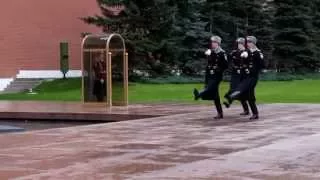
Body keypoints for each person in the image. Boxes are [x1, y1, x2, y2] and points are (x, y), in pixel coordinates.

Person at [228, 36, 265, 120]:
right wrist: (243, 58)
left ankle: (254, 113)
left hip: (252, 77)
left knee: (247, 91)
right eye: (247, 42)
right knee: (248, 94)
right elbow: (240, 63)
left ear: (253, 43)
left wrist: (252, 68)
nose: (247, 44)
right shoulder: (246, 51)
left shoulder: (258, 53)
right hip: (245, 76)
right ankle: (253, 112)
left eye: (249, 42)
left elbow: (262, 65)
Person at [193, 35, 228, 119]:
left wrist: (218, 69)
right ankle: (220, 113)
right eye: (212, 42)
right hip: (209, 75)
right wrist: (208, 55)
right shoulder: (210, 52)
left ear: (218, 43)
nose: (213, 44)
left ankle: (199, 94)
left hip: (217, 75)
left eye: (215, 42)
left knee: (210, 87)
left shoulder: (222, 53)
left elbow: (226, 65)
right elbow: (208, 65)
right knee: (215, 96)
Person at [223, 37, 249, 115]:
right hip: (235, 73)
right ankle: (230, 101)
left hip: (242, 73)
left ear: (244, 44)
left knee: (239, 91)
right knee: (233, 89)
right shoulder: (234, 52)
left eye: (241, 44)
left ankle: (229, 101)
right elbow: (227, 58)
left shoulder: (247, 52)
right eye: (238, 44)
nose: (239, 45)